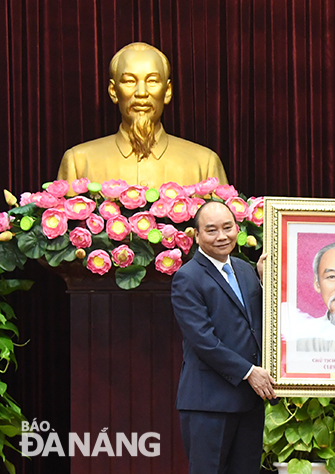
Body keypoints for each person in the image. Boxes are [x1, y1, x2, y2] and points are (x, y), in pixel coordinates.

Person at [171, 201, 274, 474]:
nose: (221, 236)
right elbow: (203, 340)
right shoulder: (187, 278)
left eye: (227, 228)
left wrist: (264, 283)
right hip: (209, 404)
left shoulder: (244, 269)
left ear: (237, 229)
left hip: (249, 401)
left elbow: (255, 324)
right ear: (196, 236)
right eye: (211, 230)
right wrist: (250, 372)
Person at [57, 42, 228, 191]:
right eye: (129, 81)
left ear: (167, 91)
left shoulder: (204, 164)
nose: (141, 93)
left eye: (152, 81)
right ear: (113, 91)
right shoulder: (79, 162)